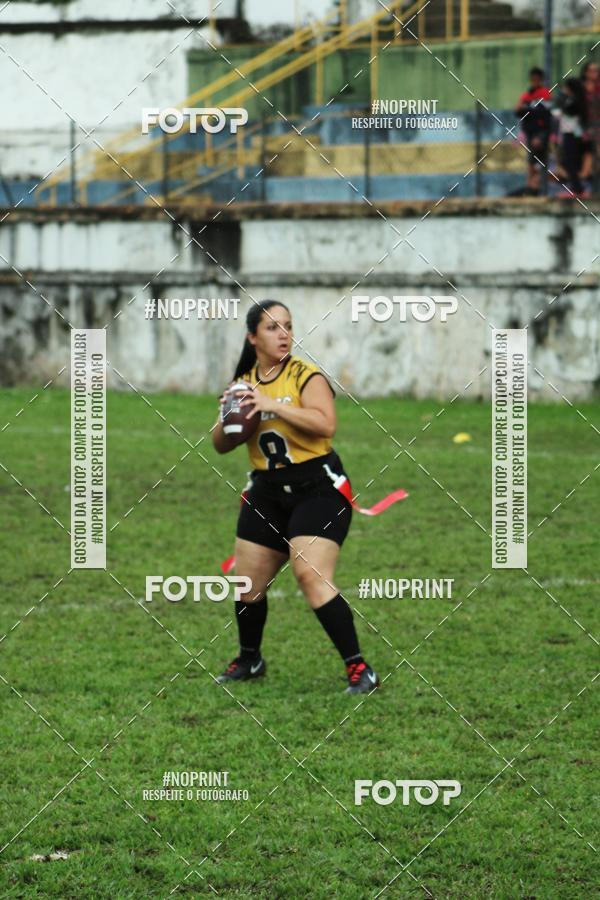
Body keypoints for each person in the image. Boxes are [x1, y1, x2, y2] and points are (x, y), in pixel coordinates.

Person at [211, 300, 380, 695]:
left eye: (287, 326)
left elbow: (326, 424)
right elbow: (219, 445)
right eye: (272, 328)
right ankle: (250, 659)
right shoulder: (242, 383)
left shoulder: (307, 376)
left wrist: (272, 407)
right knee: (247, 583)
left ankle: (359, 669)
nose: (283, 334)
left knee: (311, 576)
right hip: (266, 492)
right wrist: (229, 419)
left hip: (317, 489)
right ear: (253, 337)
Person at [515, 66, 553, 195]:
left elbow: (543, 112)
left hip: (541, 131)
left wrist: (527, 108)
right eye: (533, 79)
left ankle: (538, 186)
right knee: (532, 162)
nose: (535, 81)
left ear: (541, 79)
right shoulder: (527, 94)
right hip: (530, 132)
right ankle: (531, 187)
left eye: (537, 78)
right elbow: (518, 109)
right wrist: (527, 108)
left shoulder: (544, 93)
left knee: (540, 158)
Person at [553, 77, 588, 198]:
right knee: (569, 161)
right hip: (569, 133)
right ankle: (576, 187)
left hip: (573, 134)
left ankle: (578, 189)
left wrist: (559, 109)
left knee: (570, 161)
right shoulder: (572, 100)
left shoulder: (574, 100)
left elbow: (564, 111)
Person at [581, 62, 600, 192]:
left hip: (597, 127)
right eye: (592, 71)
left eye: (597, 70)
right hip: (583, 128)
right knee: (587, 160)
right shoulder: (580, 89)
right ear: (586, 73)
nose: (596, 73)